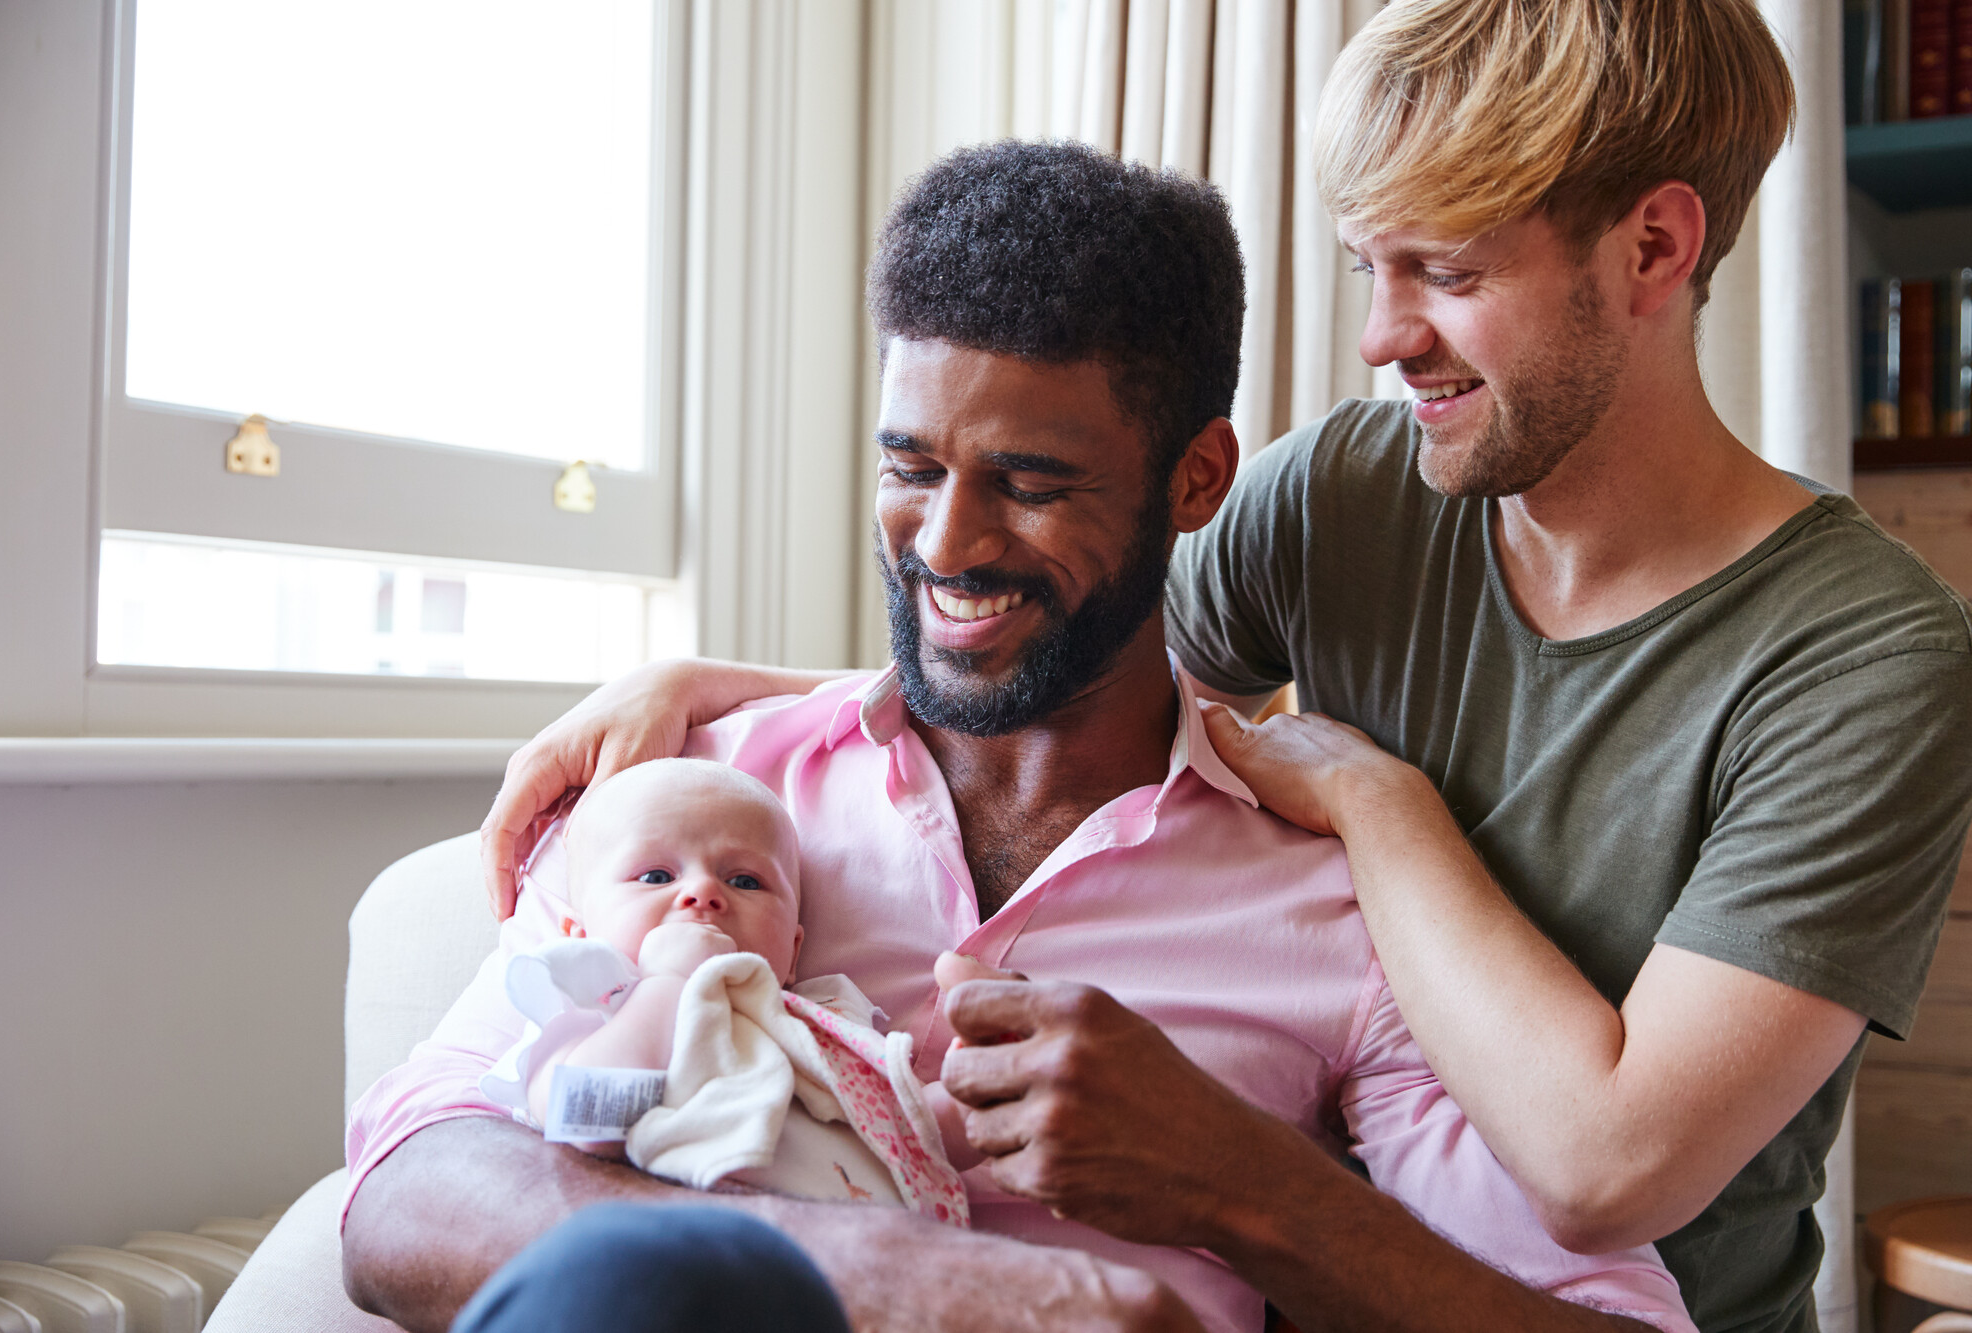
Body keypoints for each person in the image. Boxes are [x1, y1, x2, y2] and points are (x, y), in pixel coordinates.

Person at [478, 5, 1972, 1332]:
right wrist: (720, 686)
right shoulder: (1353, 489)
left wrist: (1375, 804)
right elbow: (1063, 637)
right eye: (1365, 266)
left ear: (1653, 246)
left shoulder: (1866, 662)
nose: (1383, 337)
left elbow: (1608, 1170)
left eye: (1445, 270)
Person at [346, 140, 1698, 1333]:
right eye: (909, 467)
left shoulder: (1335, 907)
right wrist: (906, 1282)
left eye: (1030, 485)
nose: (945, 545)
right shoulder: (700, 796)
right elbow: (407, 1190)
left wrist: (1246, 1190)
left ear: (1196, 480)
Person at [479, 757, 968, 1214]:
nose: (704, 893)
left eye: (746, 882)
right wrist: (668, 982)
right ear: (580, 935)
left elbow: (898, 1127)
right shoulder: (590, 1011)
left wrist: (967, 1103)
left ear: (792, 954)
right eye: (655, 876)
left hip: (865, 1267)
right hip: (687, 1253)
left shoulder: (823, 1018)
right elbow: (590, 1124)